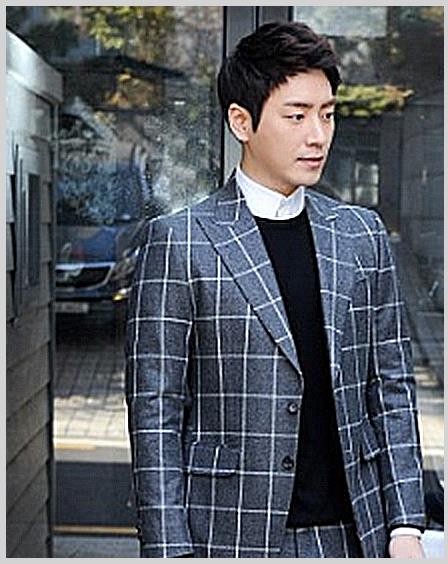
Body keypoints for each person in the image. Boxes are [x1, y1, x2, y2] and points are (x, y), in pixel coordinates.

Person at [125, 21, 426, 558]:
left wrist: (406, 526)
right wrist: (169, 550)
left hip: (354, 535)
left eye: (327, 114)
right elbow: (156, 410)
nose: (318, 135)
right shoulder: (180, 241)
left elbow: (392, 388)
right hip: (227, 537)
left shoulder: (360, 235)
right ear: (241, 121)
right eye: (297, 115)